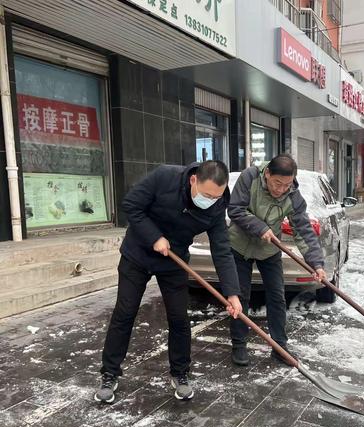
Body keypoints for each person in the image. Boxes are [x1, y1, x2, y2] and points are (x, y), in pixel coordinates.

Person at [95, 161, 242, 403]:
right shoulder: (165, 178)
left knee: (179, 317)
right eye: (207, 195)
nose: (211, 200)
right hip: (138, 255)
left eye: (216, 196)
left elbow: (222, 250)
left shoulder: (217, 205)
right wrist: (154, 237)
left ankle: (180, 373)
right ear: (194, 180)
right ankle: (110, 373)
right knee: (125, 311)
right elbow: (131, 205)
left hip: (174, 262)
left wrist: (232, 293)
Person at [227, 154, 326, 366]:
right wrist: (259, 227)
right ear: (268, 174)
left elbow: (304, 231)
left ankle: (280, 347)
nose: (281, 189)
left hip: (269, 249)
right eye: (277, 183)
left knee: (277, 297)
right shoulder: (250, 177)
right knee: (240, 296)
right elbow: (235, 209)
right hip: (239, 246)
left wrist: (316, 264)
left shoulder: (294, 196)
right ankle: (239, 344)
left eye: (287, 184)